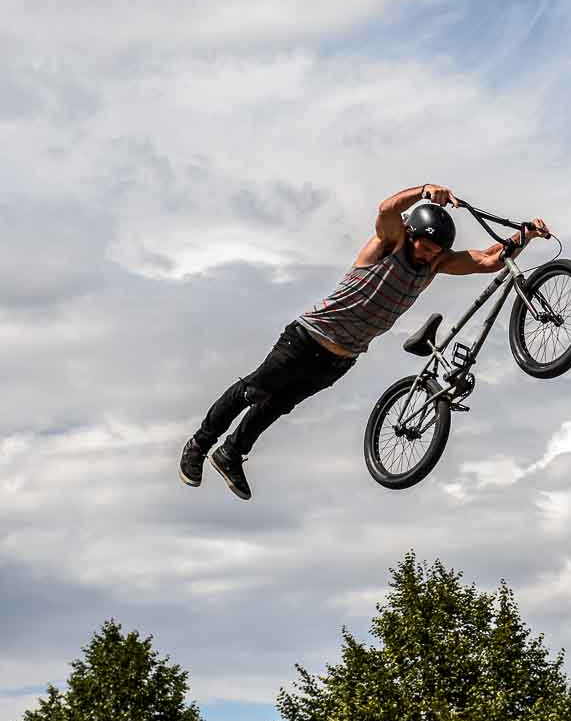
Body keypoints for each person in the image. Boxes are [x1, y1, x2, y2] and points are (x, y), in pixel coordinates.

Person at [179, 184, 549, 500]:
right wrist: (423, 191)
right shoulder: (388, 244)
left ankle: (231, 454)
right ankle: (199, 444)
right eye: (424, 247)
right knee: (255, 390)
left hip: (341, 358)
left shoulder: (434, 265)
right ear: (412, 234)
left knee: (278, 405)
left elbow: (487, 260)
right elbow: (387, 209)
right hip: (307, 338)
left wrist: (525, 235)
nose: (427, 255)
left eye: (435, 252)